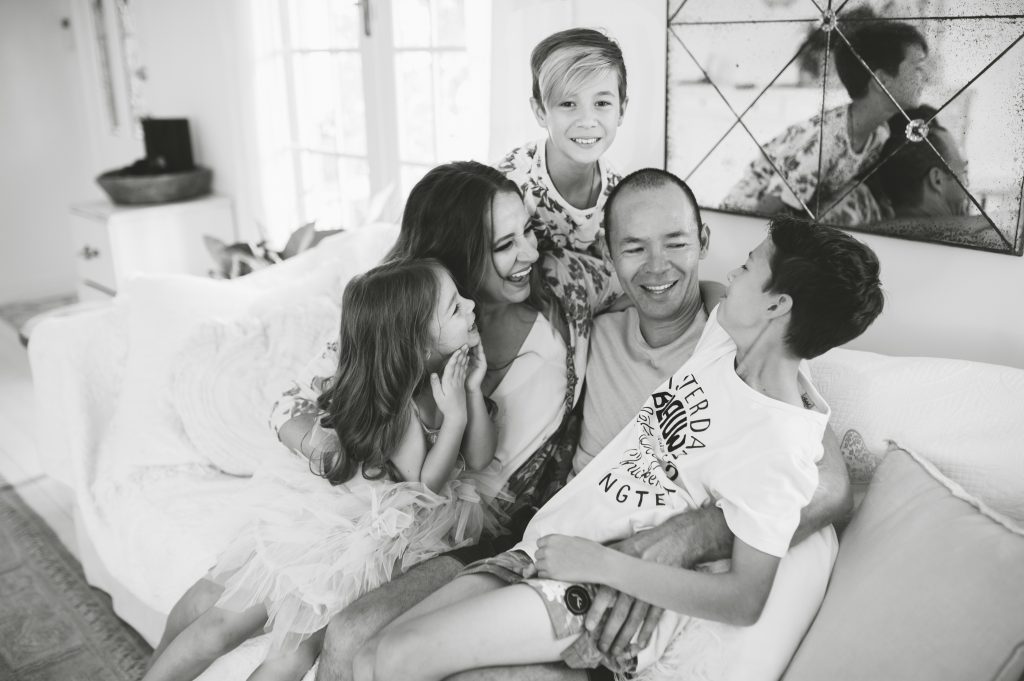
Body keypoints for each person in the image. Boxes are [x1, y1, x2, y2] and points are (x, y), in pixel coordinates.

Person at [317, 168, 852, 681]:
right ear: (610, 258)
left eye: (677, 243)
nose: (657, 267)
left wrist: (677, 543)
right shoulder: (576, 316)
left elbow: (821, 481)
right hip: (528, 534)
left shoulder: (733, 339)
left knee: (405, 659)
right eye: (634, 247)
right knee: (353, 642)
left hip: (582, 567)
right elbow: (354, 364)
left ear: (703, 240)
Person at [143, 259, 501, 681]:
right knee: (231, 628)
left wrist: (473, 391)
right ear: (419, 343)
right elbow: (425, 486)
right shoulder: (403, 403)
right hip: (350, 531)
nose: (473, 305)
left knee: (291, 657)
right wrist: (454, 418)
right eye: (455, 307)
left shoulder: (448, 375)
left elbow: (478, 460)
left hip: (391, 535)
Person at [723, 21, 930, 226]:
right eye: (918, 67)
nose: (926, 77)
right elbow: (765, 209)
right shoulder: (825, 140)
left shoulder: (879, 134)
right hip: (746, 214)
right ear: (882, 80)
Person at [496, 28, 627, 260]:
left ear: (621, 110)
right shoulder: (509, 183)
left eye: (602, 102)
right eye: (567, 103)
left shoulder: (622, 194)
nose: (587, 121)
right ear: (540, 112)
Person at [875, 106, 969, 218]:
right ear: (937, 179)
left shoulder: (871, 230)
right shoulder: (962, 232)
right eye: (963, 171)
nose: (966, 183)